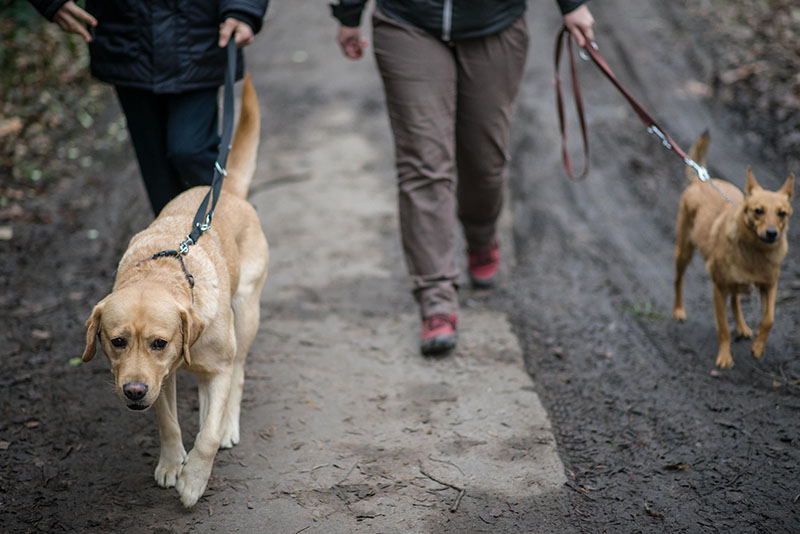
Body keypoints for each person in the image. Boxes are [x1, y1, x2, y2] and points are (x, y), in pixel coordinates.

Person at [331, 0, 595, 356]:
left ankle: (481, 233)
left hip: (494, 23)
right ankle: (436, 298)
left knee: (484, 161)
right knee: (423, 165)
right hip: (407, 23)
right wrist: (349, 12)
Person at [28, 0, 270, 215]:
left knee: (189, 150)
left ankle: (238, 222)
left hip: (199, 36)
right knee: (159, 180)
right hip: (126, 40)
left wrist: (244, 7)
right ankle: (177, 254)